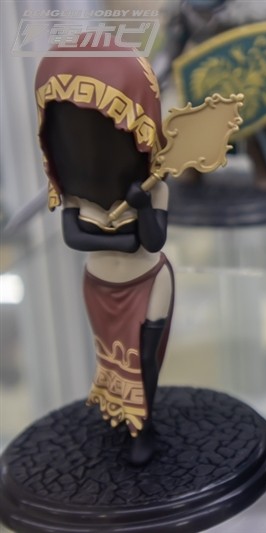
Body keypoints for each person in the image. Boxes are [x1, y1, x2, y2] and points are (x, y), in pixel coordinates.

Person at [35, 42, 172, 465]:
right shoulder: (74, 190)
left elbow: (153, 241)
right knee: (110, 357)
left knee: (144, 359)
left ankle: (143, 426)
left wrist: (142, 207)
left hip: (148, 282)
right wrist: (123, 240)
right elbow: (74, 237)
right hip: (99, 284)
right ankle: (120, 413)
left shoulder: (155, 188)